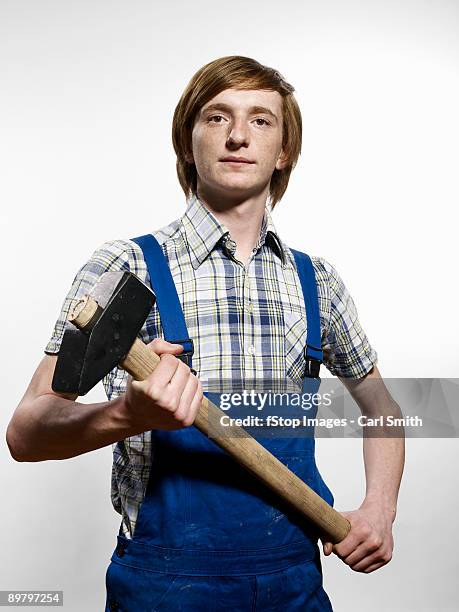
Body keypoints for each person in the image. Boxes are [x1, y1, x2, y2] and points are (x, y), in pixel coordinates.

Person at [6, 56, 404, 611]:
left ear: (284, 151)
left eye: (261, 121)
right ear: (186, 143)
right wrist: (129, 416)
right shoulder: (126, 269)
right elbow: (26, 433)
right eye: (217, 117)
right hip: (165, 588)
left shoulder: (318, 283)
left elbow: (382, 407)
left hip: (293, 582)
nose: (239, 136)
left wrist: (379, 508)